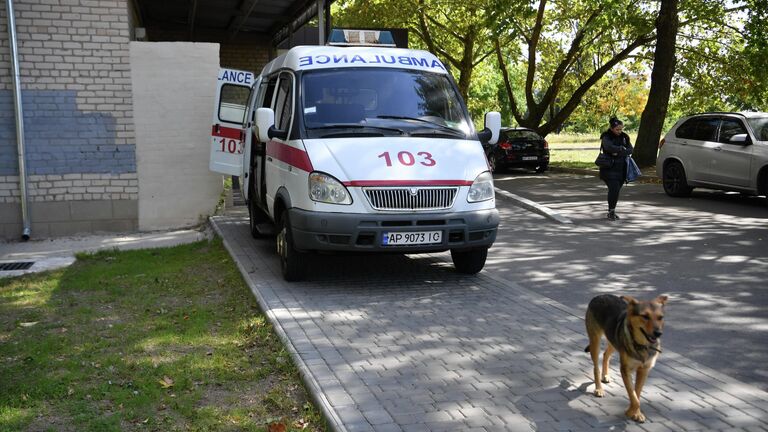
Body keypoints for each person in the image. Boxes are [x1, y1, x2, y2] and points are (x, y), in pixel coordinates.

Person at [599, 117, 633, 221]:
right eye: (617, 129)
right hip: (609, 168)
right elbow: (609, 147)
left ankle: (611, 210)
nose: (619, 131)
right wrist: (621, 149)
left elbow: (630, 149)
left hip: (622, 168)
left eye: (621, 129)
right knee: (614, 189)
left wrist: (618, 151)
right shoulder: (606, 136)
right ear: (612, 128)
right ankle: (611, 211)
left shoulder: (625, 137)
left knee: (616, 190)